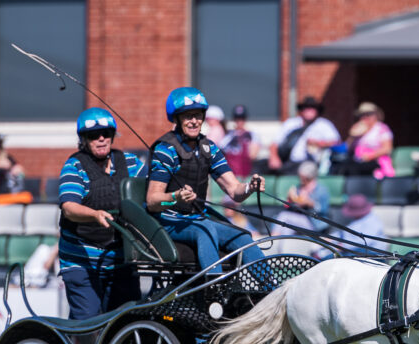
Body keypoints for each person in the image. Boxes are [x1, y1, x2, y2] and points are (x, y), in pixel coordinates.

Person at [146, 87, 265, 273]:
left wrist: (250, 187)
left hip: (199, 219)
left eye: (198, 115)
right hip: (168, 221)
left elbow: (234, 190)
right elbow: (153, 201)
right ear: (176, 119)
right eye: (187, 116)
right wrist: (175, 197)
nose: (194, 121)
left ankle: (271, 291)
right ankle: (213, 290)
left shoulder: (209, 148)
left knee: (242, 236)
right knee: (205, 230)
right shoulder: (165, 150)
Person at [58, 108, 145, 320]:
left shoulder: (130, 163)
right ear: (83, 140)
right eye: (93, 135)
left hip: (120, 260)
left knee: (127, 322)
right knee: (90, 324)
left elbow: (153, 190)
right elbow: (69, 207)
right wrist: (95, 214)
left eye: (106, 133)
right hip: (82, 262)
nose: (101, 139)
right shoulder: (74, 166)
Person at [268, 96, 340, 175]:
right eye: (306, 108)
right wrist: (274, 157)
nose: (309, 110)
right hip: (289, 163)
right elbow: (274, 143)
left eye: (312, 108)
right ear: (301, 110)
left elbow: (337, 142)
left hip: (313, 163)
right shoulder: (291, 123)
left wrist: (319, 143)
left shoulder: (323, 124)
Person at [339, 102, 394, 179]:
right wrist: (353, 136)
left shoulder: (382, 129)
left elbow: (387, 149)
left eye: (368, 114)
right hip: (357, 161)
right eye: (362, 115)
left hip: (375, 162)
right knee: (344, 167)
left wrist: (370, 156)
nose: (365, 117)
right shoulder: (358, 129)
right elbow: (348, 148)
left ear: (376, 115)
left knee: (355, 169)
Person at [273, 161, 329, 235]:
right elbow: (289, 206)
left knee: (284, 216)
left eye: (303, 177)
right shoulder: (298, 188)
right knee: (286, 227)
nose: (300, 179)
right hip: (298, 219)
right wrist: (290, 200)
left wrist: (310, 203)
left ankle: (273, 239)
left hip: (313, 223)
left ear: (310, 176)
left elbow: (323, 209)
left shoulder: (320, 189)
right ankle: (282, 245)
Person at [220, 104, 261, 178]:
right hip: (230, 174)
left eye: (242, 118)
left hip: (246, 173)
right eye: (237, 118)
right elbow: (221, 150)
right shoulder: (228, 135)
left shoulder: (252, 135)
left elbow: (253, 155)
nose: (239, 121)